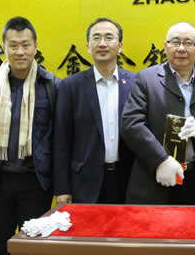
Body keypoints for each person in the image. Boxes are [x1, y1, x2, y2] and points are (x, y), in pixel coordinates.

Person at [0, 16, 60, 255]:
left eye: (25, 45)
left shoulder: (51, 85)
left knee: (33, 249)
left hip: (35, 183)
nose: (20, 51)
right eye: (13, 45)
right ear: (4, 48)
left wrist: (61, 186)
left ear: (35, 47)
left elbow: (59, 140)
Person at [121, 22, 195, 205]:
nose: (181, 48)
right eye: (175, 42)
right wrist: (161, 160)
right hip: (155, 177)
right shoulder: (145, 79)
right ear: (165, 46)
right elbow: (131, 124)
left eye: (188, 43)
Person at [54, 17, 135, 204]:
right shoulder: (70, 86)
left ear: (120, 46)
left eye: (109, 37)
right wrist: (62, 188)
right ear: (88, 47)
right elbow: (61, 141)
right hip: (85, 182)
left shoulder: (135, 83)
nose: (102, 44)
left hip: (127, 179)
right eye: (96, 38)